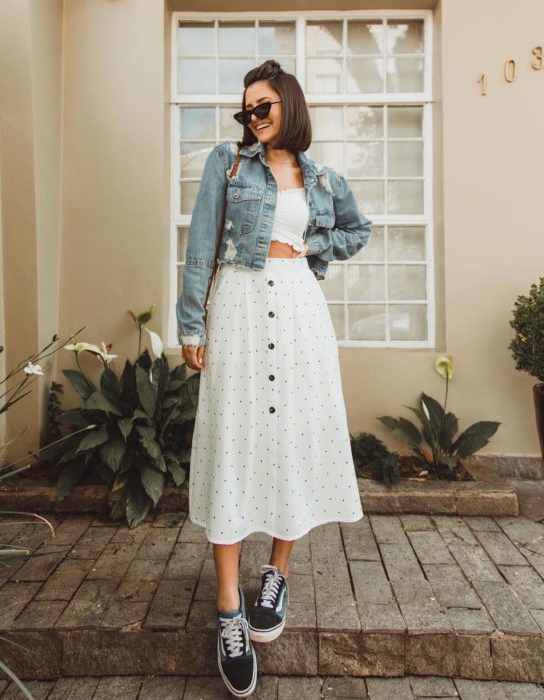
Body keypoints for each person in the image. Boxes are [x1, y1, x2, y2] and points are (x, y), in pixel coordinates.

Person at [176, 59, 372, 697]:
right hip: (235, 306)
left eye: (263, 106)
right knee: (233, 444)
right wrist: (191, 326)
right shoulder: (226, 165)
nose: (253, 118)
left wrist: (313, 246)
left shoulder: (321, 177)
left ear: (288, 104)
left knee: (294, 440)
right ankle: (230, 609)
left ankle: (277, 574)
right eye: (246, 110)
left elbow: (356, 230)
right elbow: (200, 245)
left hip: (299, 313)